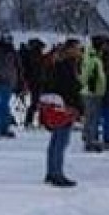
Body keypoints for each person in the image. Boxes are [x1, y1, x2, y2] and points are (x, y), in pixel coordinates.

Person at [41, 40, 82, 187]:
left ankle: (52, 171)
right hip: (64, 106)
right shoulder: (67, 66)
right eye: (77, 48)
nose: (79, 51)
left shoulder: (58, 63)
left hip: (58, 104)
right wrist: (75, 106)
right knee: (60, 141)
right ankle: (56, 173)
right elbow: (69, 88)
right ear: (70, 50)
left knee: (55, 141)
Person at [80, 35, 109, 152]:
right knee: (93, 117)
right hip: (92, 92)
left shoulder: (93, 56)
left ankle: (89, 138)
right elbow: (87, 75)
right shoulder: (93, 58)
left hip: (93, 91)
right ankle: (91, 141)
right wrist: (93, 86)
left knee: (90, 117)